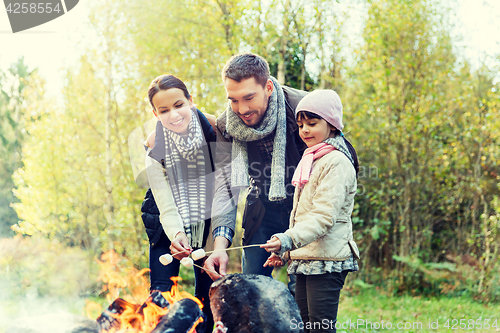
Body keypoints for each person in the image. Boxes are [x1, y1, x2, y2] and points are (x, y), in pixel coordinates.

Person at [204, 53, 308, 286]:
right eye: (233, 100)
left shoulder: (303, 108)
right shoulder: (226, 126)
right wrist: (220, 247)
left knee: (301, 292)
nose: (242, 108)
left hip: (305, 210)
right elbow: (225, 188)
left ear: (268, 87)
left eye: (249, 97)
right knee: (251, 287)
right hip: (261, 208)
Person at [261, 89, 360, 333]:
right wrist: (286, 252)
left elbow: (323, 217)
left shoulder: (336, 162)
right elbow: (303, 216)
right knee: (305, 328)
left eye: (312, 123)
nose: (304, 130)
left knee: (319, 329)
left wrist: (287, 239)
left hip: (326, 260)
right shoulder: (313, 159)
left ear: (332, 124)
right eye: (301, 124)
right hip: (306, 258)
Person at [142, 74, 216, 332]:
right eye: (164, 110)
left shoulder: (215, 132)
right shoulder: (154, 145)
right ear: (155, 113)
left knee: (207, 293)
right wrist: (176, 234)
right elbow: (164, 200)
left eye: (179, 105)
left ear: (190, 101)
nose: (173, 114)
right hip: (164, 221)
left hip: (204, 219)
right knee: (160, 294)